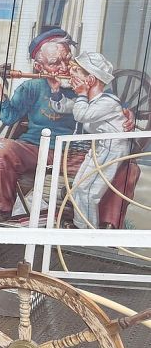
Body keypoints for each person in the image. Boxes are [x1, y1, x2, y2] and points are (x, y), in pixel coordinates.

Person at [0, 29, 135, 221]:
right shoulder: (32, 87)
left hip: (79, 155)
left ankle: (104, 228)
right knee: (1, 147)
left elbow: (113, 104)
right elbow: (8, 117)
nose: (64, 67)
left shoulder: (87, 84)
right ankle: (0, 211)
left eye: (67, 59)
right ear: (39, 66)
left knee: (129, 169)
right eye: (54, 63)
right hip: (38, 149)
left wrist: (128, 112)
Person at [50, 52, 128, 228]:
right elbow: (66, 107)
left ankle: (86, 231)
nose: (72, 73)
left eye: (77, 71)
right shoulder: (92, 100)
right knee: (78, 187)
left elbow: (81, 114)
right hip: (100, 148)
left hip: (111, 149)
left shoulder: (108, 102)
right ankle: (81, 226)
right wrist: (56, 91)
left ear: (91, 80)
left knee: (88, 191)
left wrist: (81, 93)